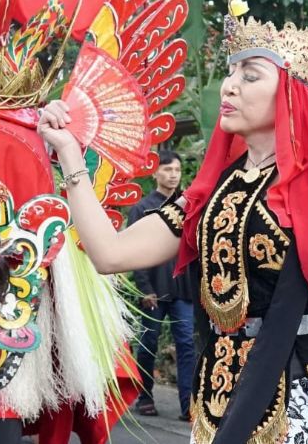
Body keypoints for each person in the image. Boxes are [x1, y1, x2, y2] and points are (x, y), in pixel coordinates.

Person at [38, 0, 308, 443]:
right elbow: (110, 253)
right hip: (224, 387)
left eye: (251, 75)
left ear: (290, 94)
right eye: (230, 73)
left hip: (307, 382)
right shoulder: (208, 194)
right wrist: (70, 155)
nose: (230, 85)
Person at [128, 150, 195, 421]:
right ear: (155, 173)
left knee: (187, 344)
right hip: (153, 289)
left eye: (177, 170)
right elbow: (134, 250)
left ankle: (188, 405)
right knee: (148, 343)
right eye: (167, 170)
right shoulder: (142, 208)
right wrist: (144, 288)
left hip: (184, 289)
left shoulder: (188, 206)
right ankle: (145, 396)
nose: (173, 175)